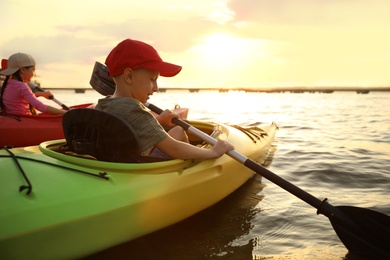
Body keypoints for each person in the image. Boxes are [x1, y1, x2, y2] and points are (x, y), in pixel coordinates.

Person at [95, 38, 234, 159]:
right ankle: (189, 168)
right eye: (152, 79)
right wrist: (213, 152)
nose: (155, 88)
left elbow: (129, 127)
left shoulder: (102, 106)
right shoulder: (135, 109)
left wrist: (158, 121)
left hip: (116, 158)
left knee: (177, 130)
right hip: (137, 165)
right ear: (129, 76)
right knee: (179, 131)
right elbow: (174, 148)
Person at [0, 53, 66, 115]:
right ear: (22, 70)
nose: (34, 74)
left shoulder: (9, 83)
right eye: (33, 70)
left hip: (13, 118)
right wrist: (66, 113)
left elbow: (21, 97)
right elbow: (40, 106)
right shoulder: (22, 86)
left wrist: (42, 94)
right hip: (22, 120)